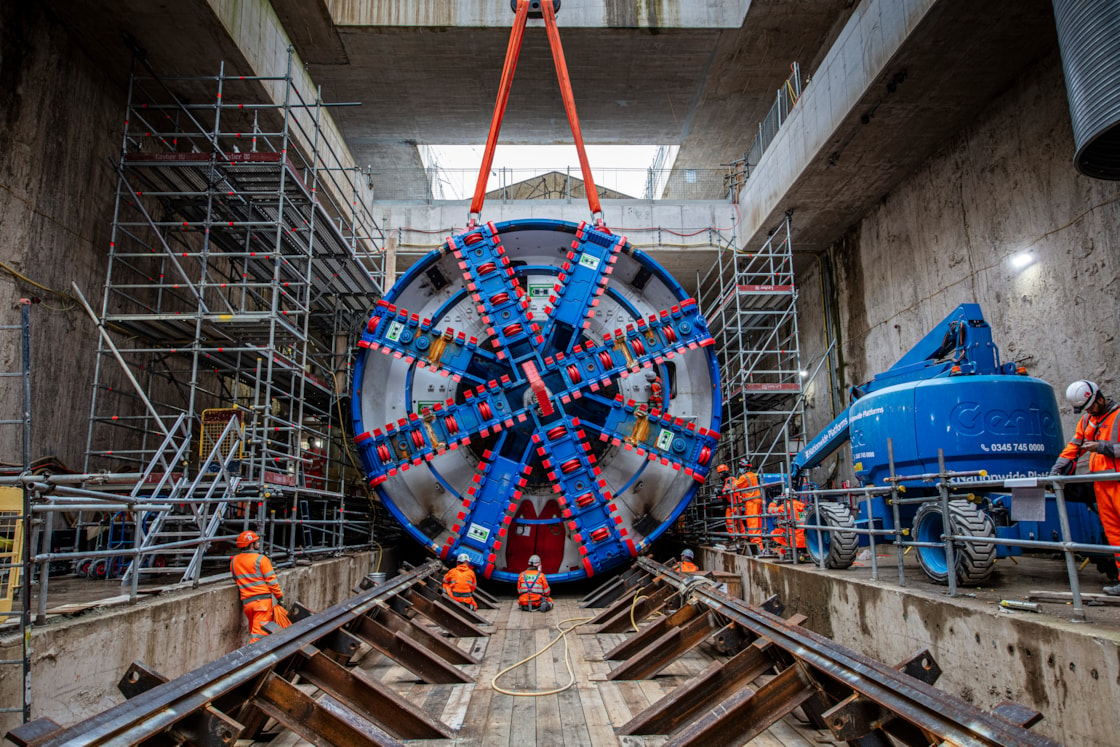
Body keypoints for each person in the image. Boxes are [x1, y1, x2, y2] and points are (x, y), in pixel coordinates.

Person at [1051, 380, 1120, 594]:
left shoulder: (1118, 417)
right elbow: (1073, 448)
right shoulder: (1087, 421)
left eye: (1090, 407)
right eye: (1085, 409)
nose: (1089, 411)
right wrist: (1056, 472)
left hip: (1117, 481)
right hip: (1101, 485)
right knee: (1114, 535)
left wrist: (1101, 447)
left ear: (1099, 397)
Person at [230, 530, 286, 643]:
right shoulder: (261, 560)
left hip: (247, 604)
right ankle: (254, 659)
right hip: (262, 604)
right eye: (256, 542)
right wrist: (280, 598)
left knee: (254, 630)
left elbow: (237, 579)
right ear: (251, 545)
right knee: (259, 637)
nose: (258, 544)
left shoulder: (234, 561)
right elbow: (272, 581)